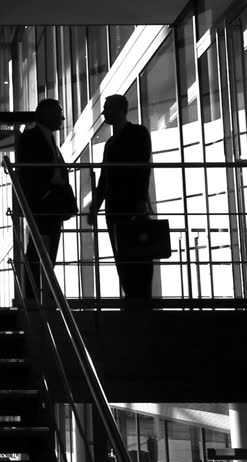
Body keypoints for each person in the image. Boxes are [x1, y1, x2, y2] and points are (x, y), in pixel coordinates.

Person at [86, 94, 153, 310]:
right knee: (122, 254)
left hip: (129, 203)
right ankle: (133, 297)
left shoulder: (136, 133)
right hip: (117, 206)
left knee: (136, 253)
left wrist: (141, 199)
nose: (104, 113)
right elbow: (105, 178)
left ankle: (140, 299)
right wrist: (96, 205)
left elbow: (143, 167)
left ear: (119, 110)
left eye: (107, 109)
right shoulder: (112, 143)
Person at [15, 98, 69, 305]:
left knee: (47, 247)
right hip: (43, 202)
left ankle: (39, 294)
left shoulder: (48, 139)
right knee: (39, 248)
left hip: (50, 202)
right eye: (59, 113)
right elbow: (28, 170)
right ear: (46, 115)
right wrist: (44, 193)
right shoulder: (31, 137)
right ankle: (32, 296)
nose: (62, 118)